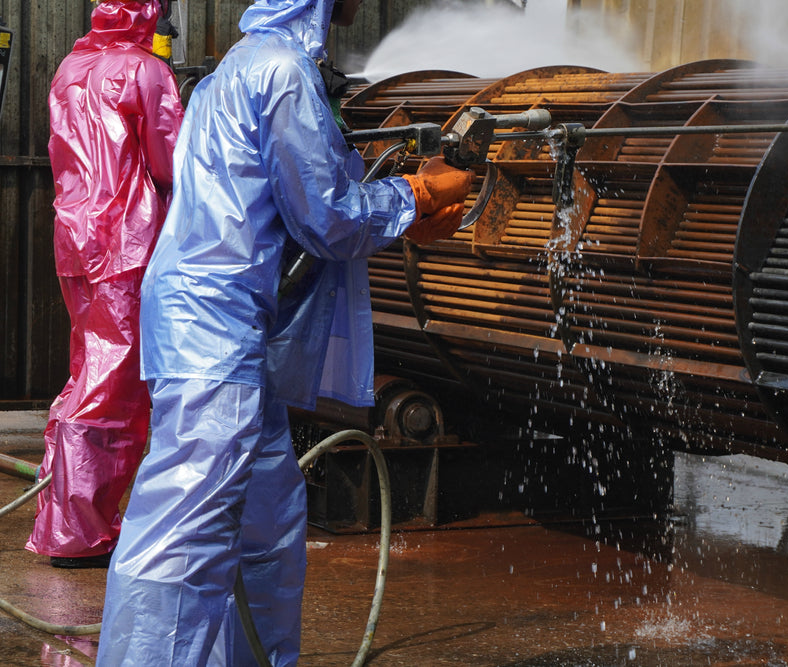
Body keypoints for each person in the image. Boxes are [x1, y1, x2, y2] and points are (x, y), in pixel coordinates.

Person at [97, 0, 472, 664]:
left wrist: (378, 179)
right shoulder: (283, 73)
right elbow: (325, 217)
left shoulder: (239, 69)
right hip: (215, 326)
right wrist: (413, 194)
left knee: (266, 523)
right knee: (185, 532)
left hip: (230, 323)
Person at [26, 0, 183, 569]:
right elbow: (171, 164)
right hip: (126, 242)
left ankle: (67, 516)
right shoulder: (146, 71)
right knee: (111, 387)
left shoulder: (69, 68)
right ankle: (79, 530)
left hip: (76, 239)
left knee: (86, 369)